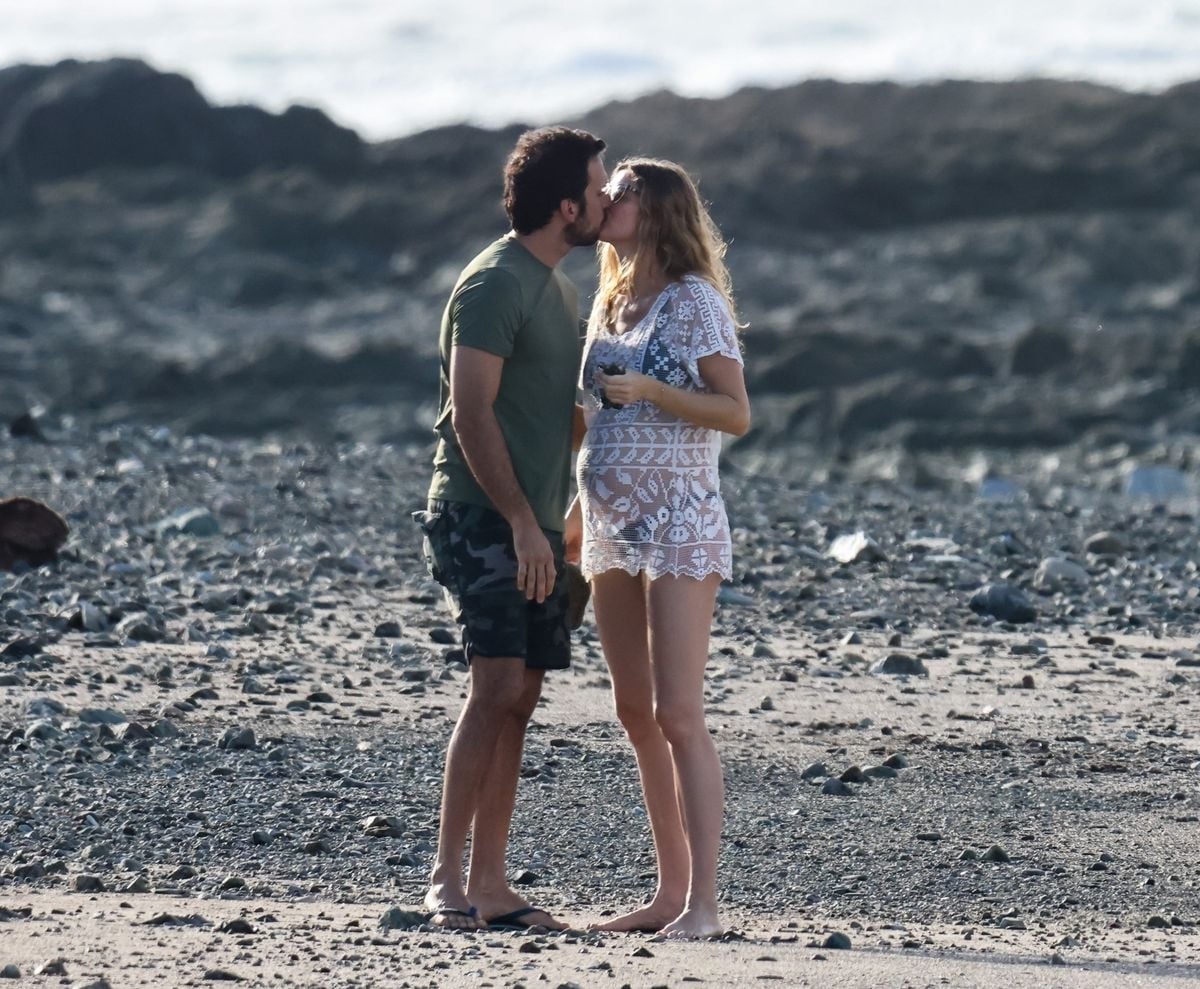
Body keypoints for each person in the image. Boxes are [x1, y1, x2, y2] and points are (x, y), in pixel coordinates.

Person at [416, 126, 608, 931]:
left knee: (522, 694)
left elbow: (541, 415)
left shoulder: (556, 287)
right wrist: (523, 524)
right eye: (598, 190)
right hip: (479, 514)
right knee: (493, 684)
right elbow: (472, 410)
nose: (606, 202)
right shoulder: (496, 281)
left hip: (533, 522)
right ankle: (445, 880)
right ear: (566, 206)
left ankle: (492, 883)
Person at [565, 158, 750, 939]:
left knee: (678, 709)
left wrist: (655, 394)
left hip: (679, 521)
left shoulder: (692, 302)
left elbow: (734, 411)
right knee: (633, 710)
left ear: (658, 208)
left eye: (622, 191)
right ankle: (668, 892)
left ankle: (705, 903)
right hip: (609, 524)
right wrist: (571, 512)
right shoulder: (609, 300)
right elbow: (589, 418)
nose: (605, 199)